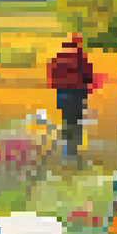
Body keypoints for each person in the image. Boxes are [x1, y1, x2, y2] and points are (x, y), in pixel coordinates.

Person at [46, 33, 99, 166]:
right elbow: (88, 76)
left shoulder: (57, 56)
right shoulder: (79, 56)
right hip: (77, 94)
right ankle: (73, 154)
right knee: (76, 123)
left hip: (61, 94)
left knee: (66, 122)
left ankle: (67, 154)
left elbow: (51, 76)